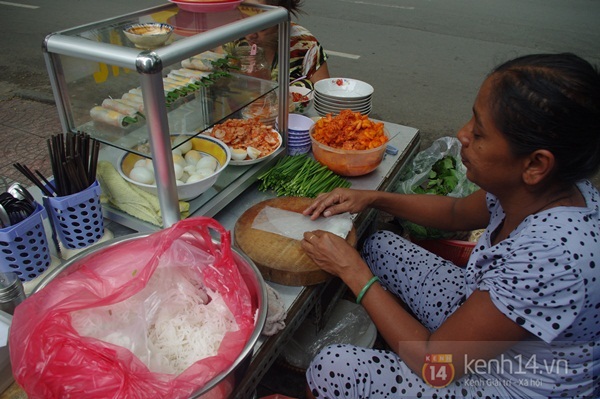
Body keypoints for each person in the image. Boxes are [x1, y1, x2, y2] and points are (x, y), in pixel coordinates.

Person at [300, 53, 600, 398]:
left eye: (480, 132)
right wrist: (374, 199)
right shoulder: (537, 190)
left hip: (509, 382)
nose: (463, 135)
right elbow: (456, 212)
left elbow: (434, 362)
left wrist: (352, 272)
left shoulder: (550, 257)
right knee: (380, 245)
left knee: (334, 369)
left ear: (535, 164)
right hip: (485, 324)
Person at [236, 0, 330, 89]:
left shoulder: (304, 45)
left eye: (261, 27)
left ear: (280, 21)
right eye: (245, 22)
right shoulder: (234, 36)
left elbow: (326, 94)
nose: (251, 35)